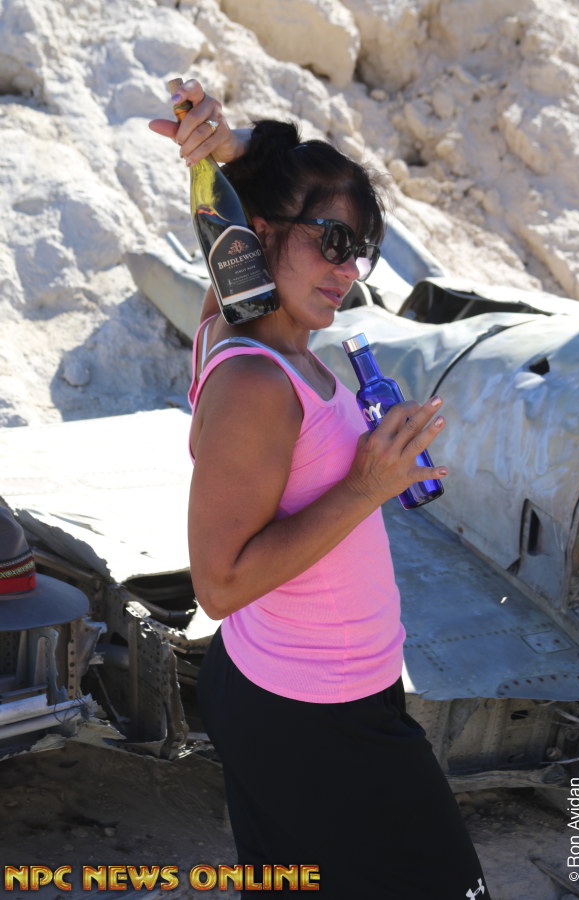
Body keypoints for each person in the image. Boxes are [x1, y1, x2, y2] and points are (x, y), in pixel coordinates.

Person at [150, 80, 491, 899]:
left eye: (359, 249)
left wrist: (238, 154)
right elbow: (219, 584)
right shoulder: (254, 382)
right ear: (262, 232)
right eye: (333, 240)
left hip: (319, 691)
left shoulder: (265, 338)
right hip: (313, 712)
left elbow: (236, 235)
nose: (348, 269)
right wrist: (367, 485)